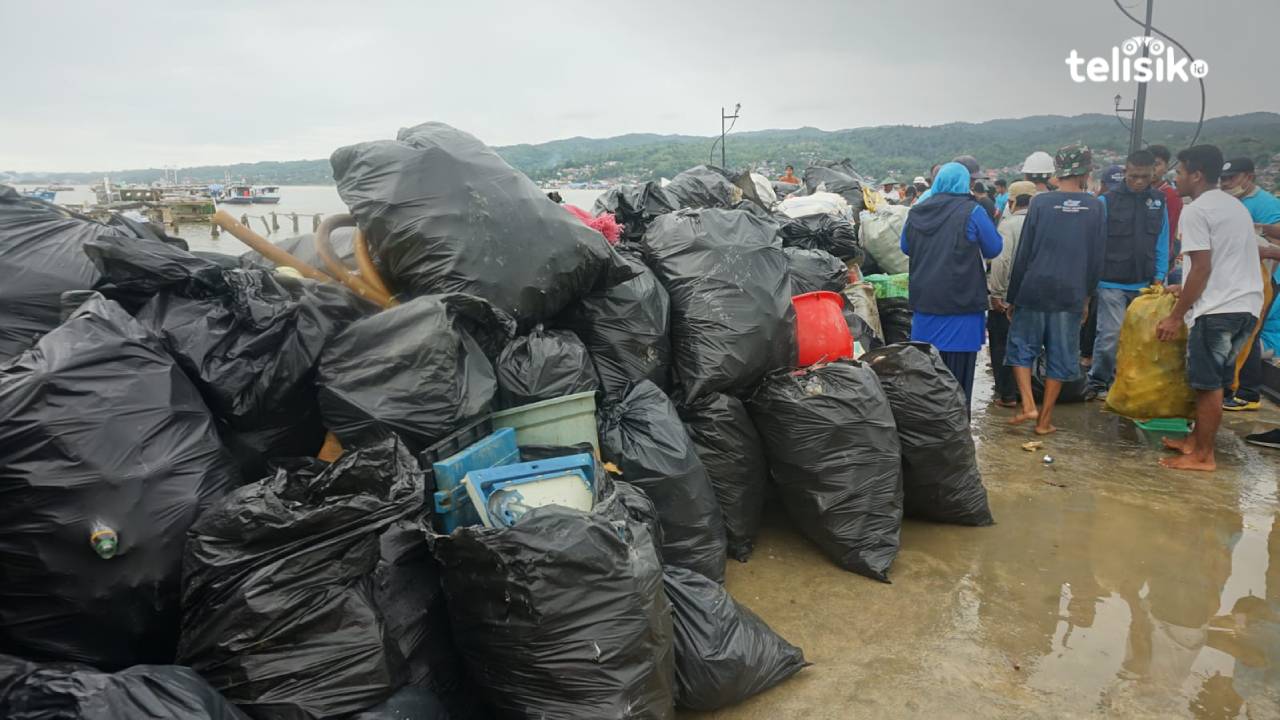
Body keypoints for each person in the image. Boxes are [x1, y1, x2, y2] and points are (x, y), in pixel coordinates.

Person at [1156, 145, 1264, 471]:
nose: (1176, 179)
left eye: (1179, 172)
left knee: (1207, 385)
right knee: (1214, 381)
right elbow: (1217, 261)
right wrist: (1183, 288)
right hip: (1245, 304)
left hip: (1218, 309)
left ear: (1196, 175)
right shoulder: (1233, 206)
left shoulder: (1197, 210)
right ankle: (1195, 442)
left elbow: (1201, 266)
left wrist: (1176, 316)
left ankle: (1203, 456)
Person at [1004, 143, 1106, 435]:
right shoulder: (1095, 207)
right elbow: (1097, 260)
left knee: (1021, 349)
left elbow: (1024, 253)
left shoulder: (1040, 203)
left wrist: (1013, 297)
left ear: (1058, 172)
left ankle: (1027, 403)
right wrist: (1087, 298)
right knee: (1061, 357)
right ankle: (1044, 421)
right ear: (1087, 171)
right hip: (1070, 293)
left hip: (1034, 288)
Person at [899, 162, 1003, 406]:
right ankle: (955, 434)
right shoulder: (972, 212)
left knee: (928, 376)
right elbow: (994, 247)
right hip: (961, 307)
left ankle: (929, 431)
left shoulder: (917, 212)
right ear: (963, 184)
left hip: (925, 306)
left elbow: (905, 247)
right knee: (957, 382)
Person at [1085, 151, 1170, 400]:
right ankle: (1099, 380)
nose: (1139, 182)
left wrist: (1160, 276)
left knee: (1141, 340)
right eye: (1134, 176)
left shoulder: (1158, 201)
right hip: (1111, 280)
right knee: (1110, 335)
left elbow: (1162, 240)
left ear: (1153, 173)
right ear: (1126, 172)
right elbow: (1095, 243)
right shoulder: (1107, 202)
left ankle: (1129, 382)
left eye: (1145, 177)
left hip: (1145, 283)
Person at [1220, 156, 1280, 411]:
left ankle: (1248, 392)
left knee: (1249, 334)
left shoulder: (1265, 203)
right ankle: (1231, 387)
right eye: (1223, 179)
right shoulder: (1230, 201)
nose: (1226, 183)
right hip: (1236, 280)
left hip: (1261, 280)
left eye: (1232, 178)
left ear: (1249, 177)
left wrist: (1258, 234)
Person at [988, 180, 1038, 407]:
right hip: (1035, 295)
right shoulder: (1042, 223)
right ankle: (1026, 392)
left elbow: (1001, 260)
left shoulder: (1008, 225)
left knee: (1002, 344)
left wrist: (996, 294)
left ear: (1012, 201)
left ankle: (1006, 394)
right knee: (1027, 344)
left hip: (1009, 295)